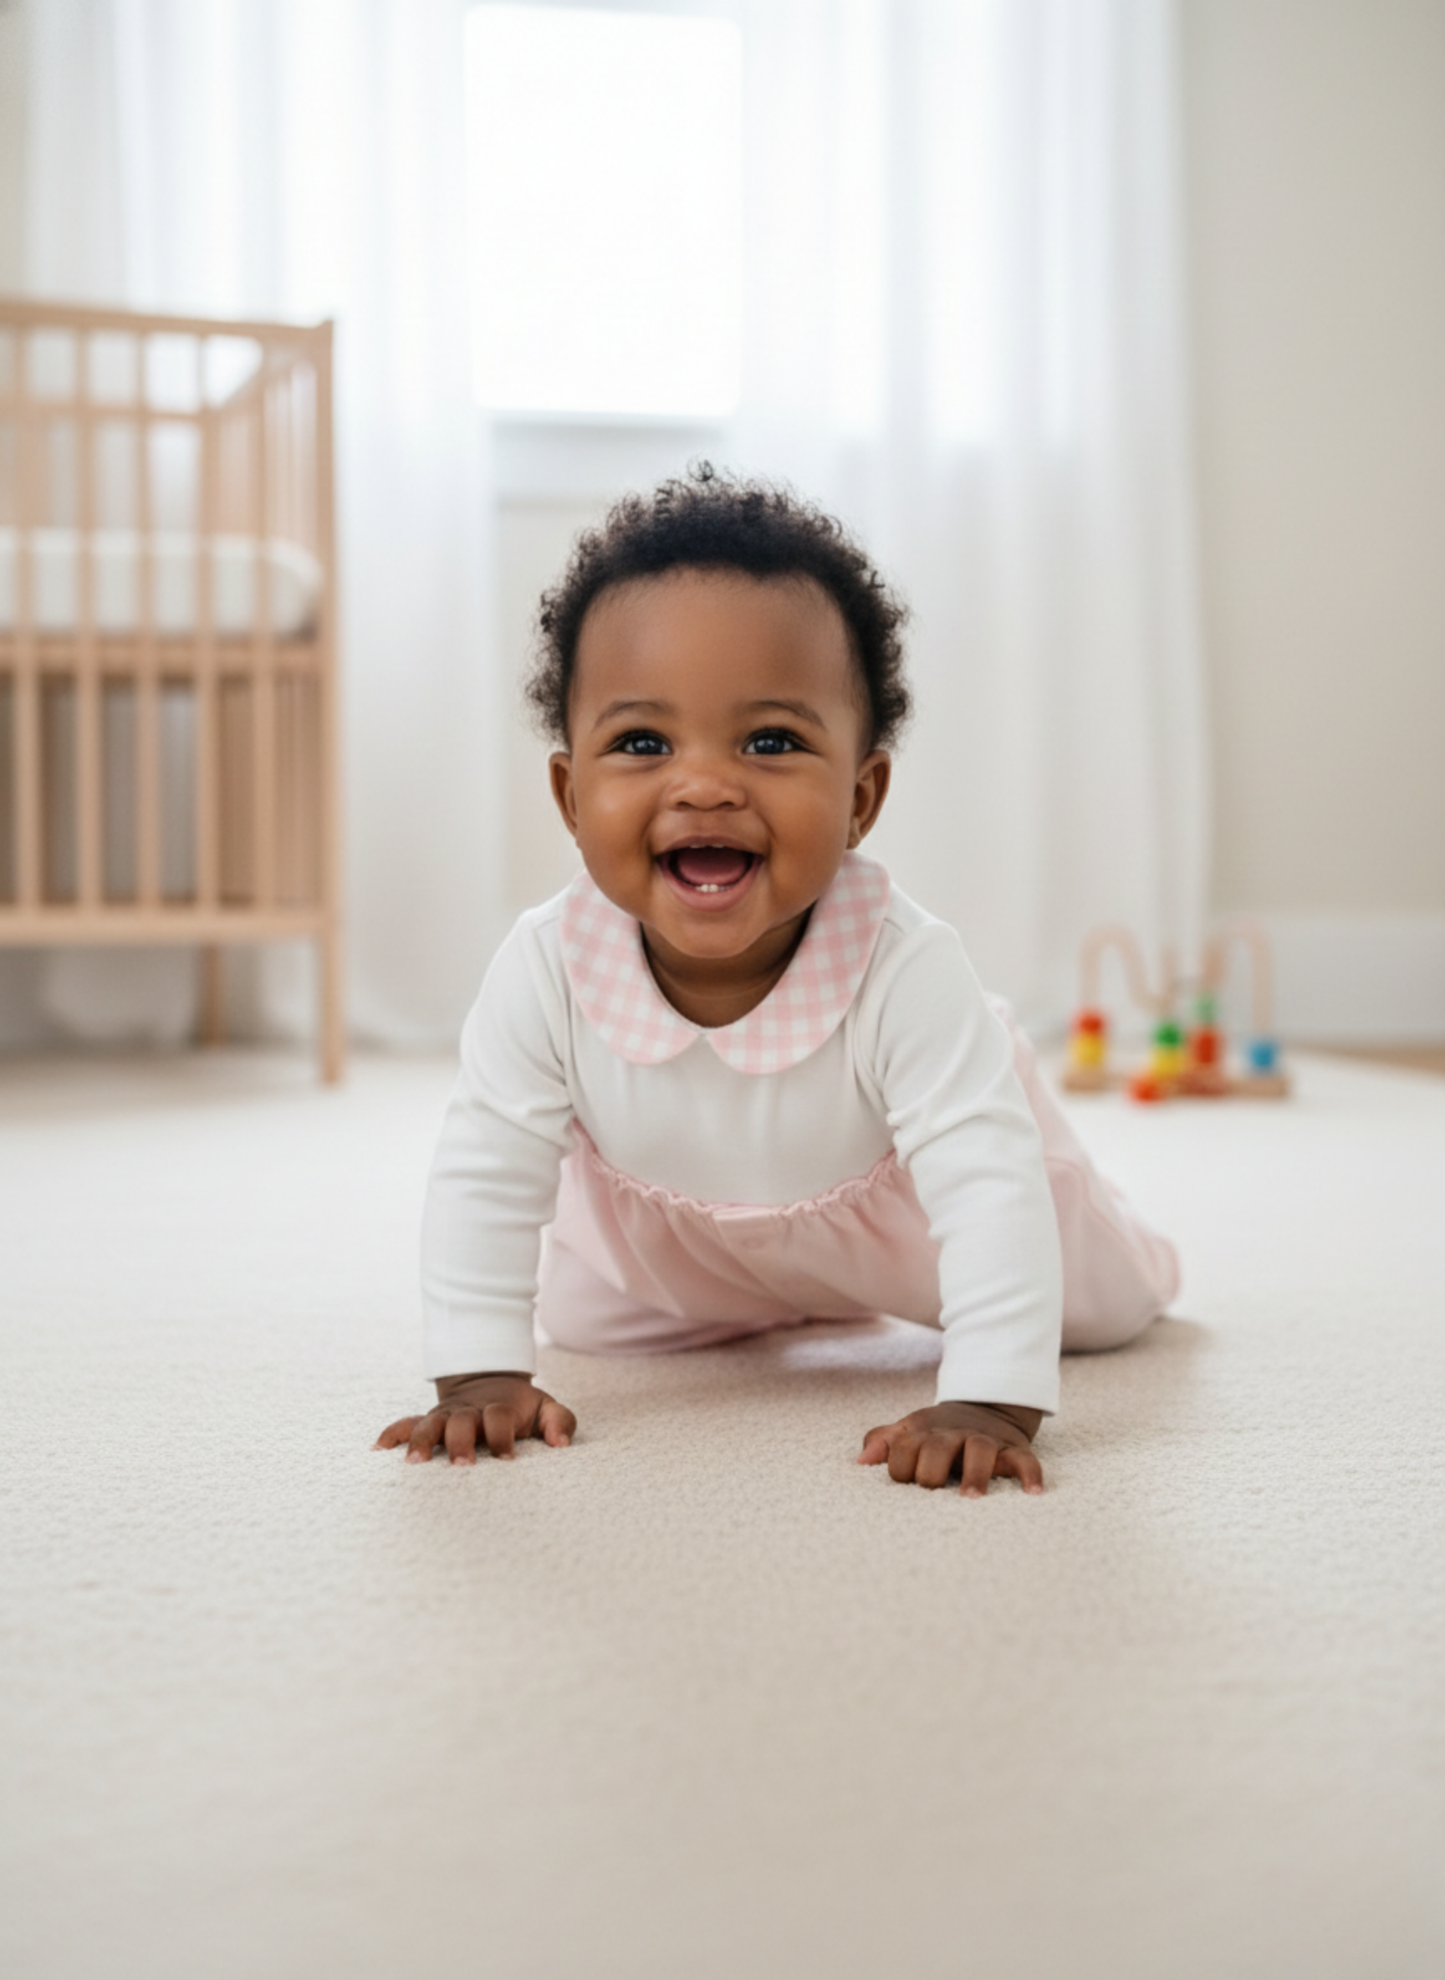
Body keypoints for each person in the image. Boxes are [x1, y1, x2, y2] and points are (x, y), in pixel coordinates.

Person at [375, 467, 1178, 1496]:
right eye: (640, 742)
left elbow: (983, 1187)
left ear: (860, 796)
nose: (704, 783)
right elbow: (486, 1169)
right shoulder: (545, 964)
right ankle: (778, 1294)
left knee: (1096, 1310)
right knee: (585, 1318)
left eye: (769, 741)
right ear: (570, 797)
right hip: (677, 1238)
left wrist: (988, 1395)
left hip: (905, 1218)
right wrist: (479, 1371)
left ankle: (1095, 1258)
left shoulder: (904, 967)